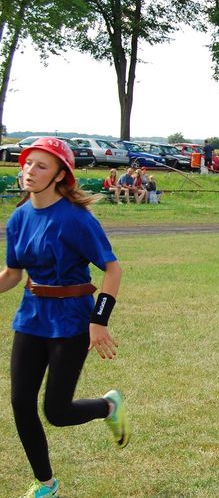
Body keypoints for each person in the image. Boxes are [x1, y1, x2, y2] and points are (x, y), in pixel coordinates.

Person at [1, 137, 129, 498]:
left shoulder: (76, 219)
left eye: (41, 166)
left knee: (56, 411)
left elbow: (113, 269)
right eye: (27, 163)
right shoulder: (19, 217)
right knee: (20, 403)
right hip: (31, 316)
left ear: (60, 175)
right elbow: (12, 274)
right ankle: (46, 485)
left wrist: (99, 320)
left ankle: (108, 406)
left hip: (72, 320)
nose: (30, 171)